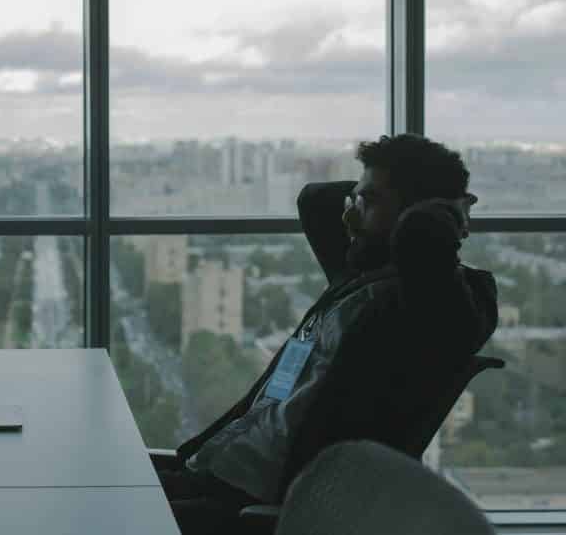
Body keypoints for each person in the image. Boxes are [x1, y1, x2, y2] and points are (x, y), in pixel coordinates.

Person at [156, 134, 499, 535]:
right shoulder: (356, 276)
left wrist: (444, 210)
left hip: (256, 507)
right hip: (214, 470)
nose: (349, 218)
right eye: (356, 201)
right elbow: (315, 199)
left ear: (416, 217)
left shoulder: (441, 307)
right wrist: (369, 198)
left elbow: (423, 239)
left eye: (368, 203)